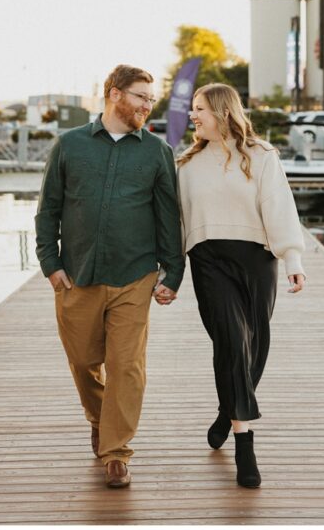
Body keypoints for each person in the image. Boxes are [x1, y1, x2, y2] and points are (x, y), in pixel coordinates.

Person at [35, 64, 184, 488]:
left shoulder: (156, 152)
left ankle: (116, 451)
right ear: (115, 94)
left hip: (135, 274)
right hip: (77, 275)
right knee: (84, 361)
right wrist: (51, 264)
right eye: (141, 96)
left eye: (151, 99)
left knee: (127, 365)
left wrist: (173, 271)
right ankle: (100, 419)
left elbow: (167, 217)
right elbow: (48, 210)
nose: (147, 105)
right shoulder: (69, 146)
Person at [176, 83, 306, 488]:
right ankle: (244, 444)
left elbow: (279, 206)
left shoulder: (262, 155)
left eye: (199, 109)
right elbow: (177, 222)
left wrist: (292, 258)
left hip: (257, 259)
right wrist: (170, 273)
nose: (193, 116)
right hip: (208, 258)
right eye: (192, 110)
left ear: (222, 111)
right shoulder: (186, 165)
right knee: (232, 340)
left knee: (255, 346)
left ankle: (226, 410)